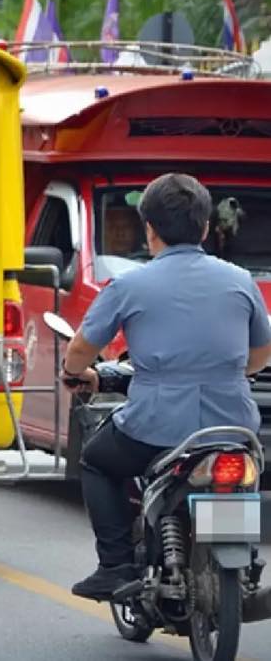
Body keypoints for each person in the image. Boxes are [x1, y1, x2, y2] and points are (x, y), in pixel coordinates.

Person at [61, 172, 271, 601]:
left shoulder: (129, 284)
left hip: (155, 425)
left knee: (97, 462)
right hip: (232, 425)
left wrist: (74, 369)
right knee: (239, 480)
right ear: (205, 228)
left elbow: (81, 349)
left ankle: (115, 565)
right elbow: (261, 353)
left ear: (150, 229)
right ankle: (243, 560)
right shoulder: (240, 280)